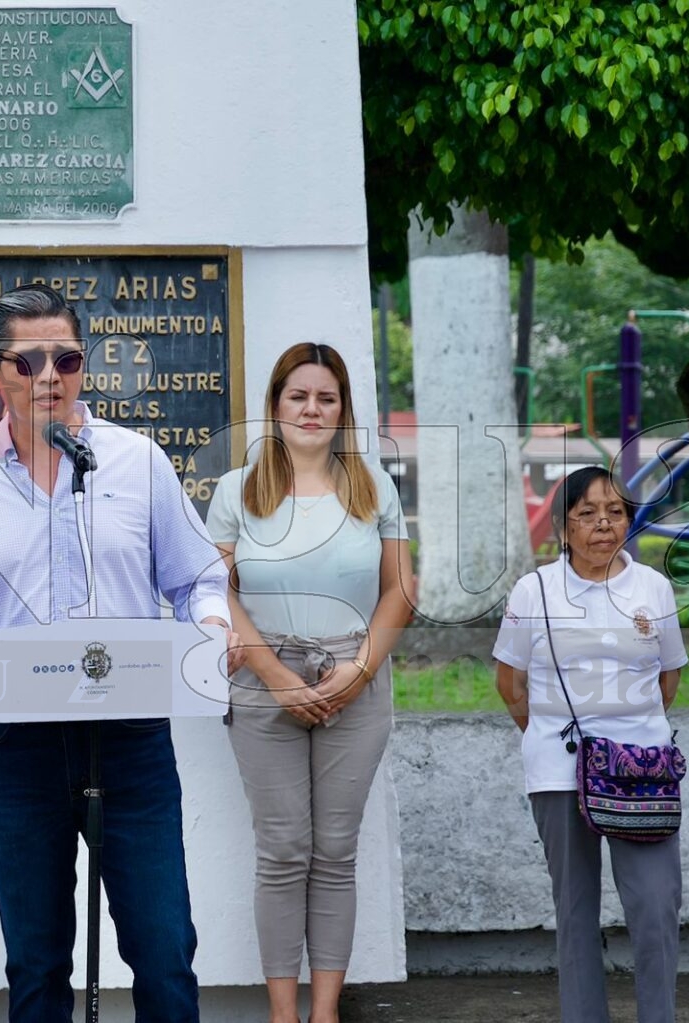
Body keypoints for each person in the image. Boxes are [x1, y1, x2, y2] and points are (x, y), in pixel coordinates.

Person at [0, 283, 237, 1023]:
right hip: (10, 748)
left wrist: (212, 631)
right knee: (36, 960)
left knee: (162, 948)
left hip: (130, 741)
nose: (48, 375)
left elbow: (198, 579)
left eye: (66, 357)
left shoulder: (135, 462)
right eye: (26, 362)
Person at [205, 342, 413, 1023]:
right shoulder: (239, 489)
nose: (312, 408)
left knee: (334, 850)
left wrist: (358, 670)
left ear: (343, 409)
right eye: (299, 395)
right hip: (266, 682)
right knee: (283, 848)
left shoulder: (374, 485)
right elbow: (218, 592)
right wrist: (276, 675)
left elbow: (400, 591)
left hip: (357, 674)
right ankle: (282, 1014)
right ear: (275, 404)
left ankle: (324, 1014)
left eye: (327, 397)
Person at [493, 466, 687, 1023]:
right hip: (561, 769)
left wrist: (628, 734)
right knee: (576, 912)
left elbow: (667, 679)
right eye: (587, 513)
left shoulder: (653, 587)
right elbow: (511, 683)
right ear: (563, 525)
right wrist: (553, 739)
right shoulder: (536, 590)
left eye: (615, 511)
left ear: (629, 519)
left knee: (655, 908)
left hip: (643, 770)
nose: (603, 523)